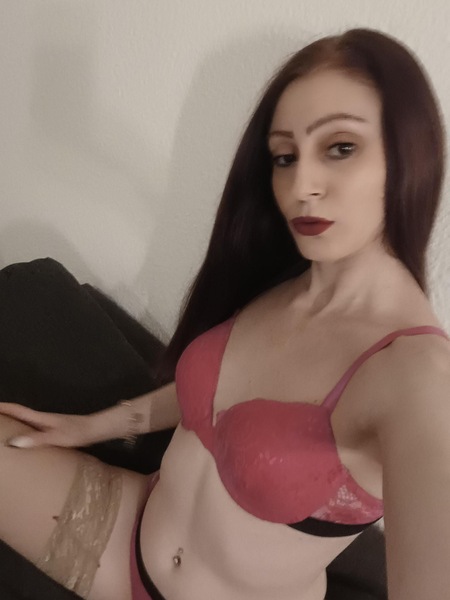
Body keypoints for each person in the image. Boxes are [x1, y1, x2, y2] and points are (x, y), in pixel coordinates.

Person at [1, 26, 450, 600]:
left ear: (409, 153)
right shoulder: (283, 283)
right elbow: (213, 399)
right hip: (122, 532)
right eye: (284, 156)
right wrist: (93, 426)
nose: (302, 185)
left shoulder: (416, 377)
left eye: (341, 147)